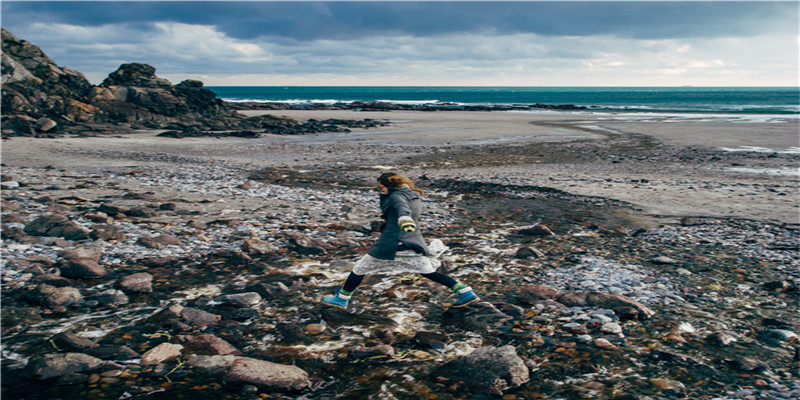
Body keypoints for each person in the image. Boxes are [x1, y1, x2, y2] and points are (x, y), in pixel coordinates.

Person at [321, 172, 479, 310]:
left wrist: (404, 218)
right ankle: (465, 292)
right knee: (427, 271)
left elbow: (401, 207)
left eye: (381, 187)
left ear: (389, 185)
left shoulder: (396, 196)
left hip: (393, 243)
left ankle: (341, 299)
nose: (381, 190)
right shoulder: (413, 194)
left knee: (360, 268)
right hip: (412, 241)